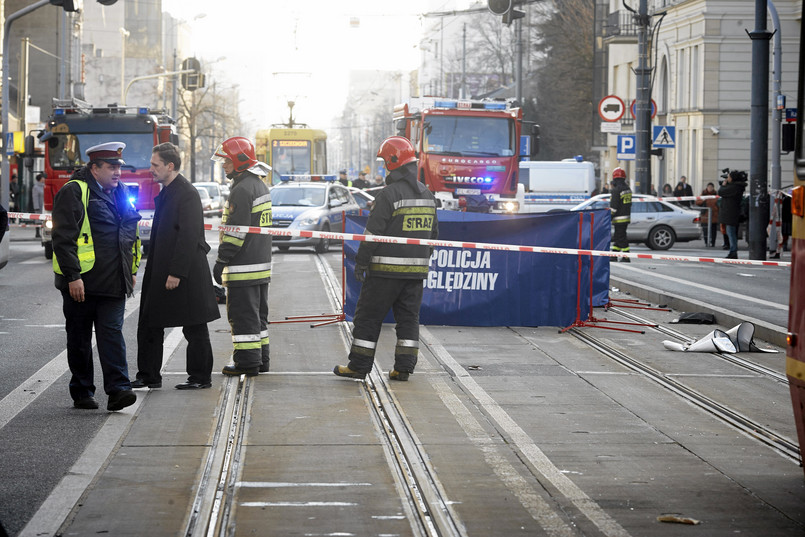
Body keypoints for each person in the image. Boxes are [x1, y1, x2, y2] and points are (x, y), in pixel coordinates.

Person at [334, 136, 438, 381]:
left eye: (384, 161)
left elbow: (373, 234)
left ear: (394, 161)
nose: (383, 166)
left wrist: (361, 262)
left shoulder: (388, 195)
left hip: (384, 273)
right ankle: (404, 368)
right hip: (415, 274)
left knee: (368, 318)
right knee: (408, 320)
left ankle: (359, 366)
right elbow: (433, 235)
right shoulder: (427, 194)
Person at [51, 142, 141, 411]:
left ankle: (119, 390)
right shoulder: (74, 191)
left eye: (118, 168)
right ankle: (82, 390)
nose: (117, 173)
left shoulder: (122, 192)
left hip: (114, 281)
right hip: (82, 283)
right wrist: (72, 276)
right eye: (111, 167)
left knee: (111, 334)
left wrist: (132, 270)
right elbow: (63, 238)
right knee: (79, 338)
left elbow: (131, 235)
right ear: (94, 168)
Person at [132, 143, 221, 390]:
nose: (151, 169)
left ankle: (200, 377)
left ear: (170, 166)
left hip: (184, 273)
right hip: (162, 269)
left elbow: (188, 236)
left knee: (194, 325)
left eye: (155, 165)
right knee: (150, 322)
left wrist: (176, 272)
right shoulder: (169, 191)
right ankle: (149, 375)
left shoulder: (187, 193)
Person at [212, 137, 272, 377]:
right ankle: (261, 360)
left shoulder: (242, 189)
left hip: (242, 267)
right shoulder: (258, 185)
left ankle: (247, 363)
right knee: (258, 318)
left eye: (226, 160)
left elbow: (235, 234)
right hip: (260, 267)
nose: (223, 165)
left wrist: (221, 261)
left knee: (243, 317)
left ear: (238, 160)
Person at [718, 170, 747, 259]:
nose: (727, 178)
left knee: (731, 233)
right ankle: (733, 250)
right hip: (732, 213)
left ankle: (733, 251)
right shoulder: (737, 187)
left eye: (729, 177)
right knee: (731, 233)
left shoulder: (734, 187)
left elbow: (721, 192)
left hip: (730, 213)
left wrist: (723, 186)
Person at [609, 167, 632, 262]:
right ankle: (614, 254)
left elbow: (614, 207)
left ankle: (626, 256)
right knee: (618, 236)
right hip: (626, 217)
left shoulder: (616, 190)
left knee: (621, 237)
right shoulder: (628, 189)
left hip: (618, 218)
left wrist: (609, 216)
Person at [695, 182, 719, 247]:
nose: (710, 188)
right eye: (709, 187)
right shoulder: (703, 194)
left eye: (711, 187)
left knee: (713, 230)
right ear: (707, 187)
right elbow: (697, 202)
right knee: (705, 230)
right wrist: (703, 201)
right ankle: (706, 242)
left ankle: (713, 242)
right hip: (705, 215)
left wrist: (716, 208)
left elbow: (719, 203)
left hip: (714, 215)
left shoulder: (716, 194)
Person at [32, 173, 45, 238]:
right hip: (39, 206)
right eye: (43, 178)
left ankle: (43, 233)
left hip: (44, 206)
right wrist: (36, 206)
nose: (44, 179)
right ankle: (37, 233)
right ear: (40, 179)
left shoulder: (44, 186)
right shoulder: (36, 187)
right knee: (37, 220)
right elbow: (35, 197)